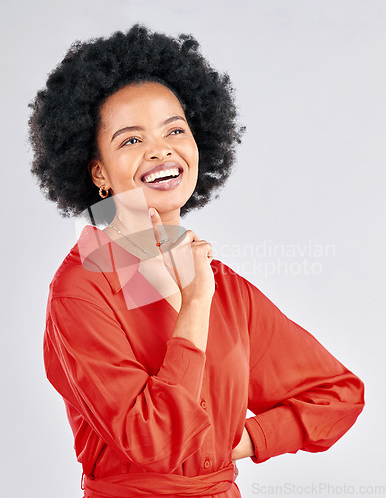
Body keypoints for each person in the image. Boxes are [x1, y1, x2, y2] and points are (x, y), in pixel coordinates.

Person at [28, 25, 365, 498]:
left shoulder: (222, 285)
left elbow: (338, 395)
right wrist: (194, 303)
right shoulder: (84, 287)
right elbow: (156, 444)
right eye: (130, 140)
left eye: (175, 130)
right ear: (98, 172)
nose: (161, 149)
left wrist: (242, 442)